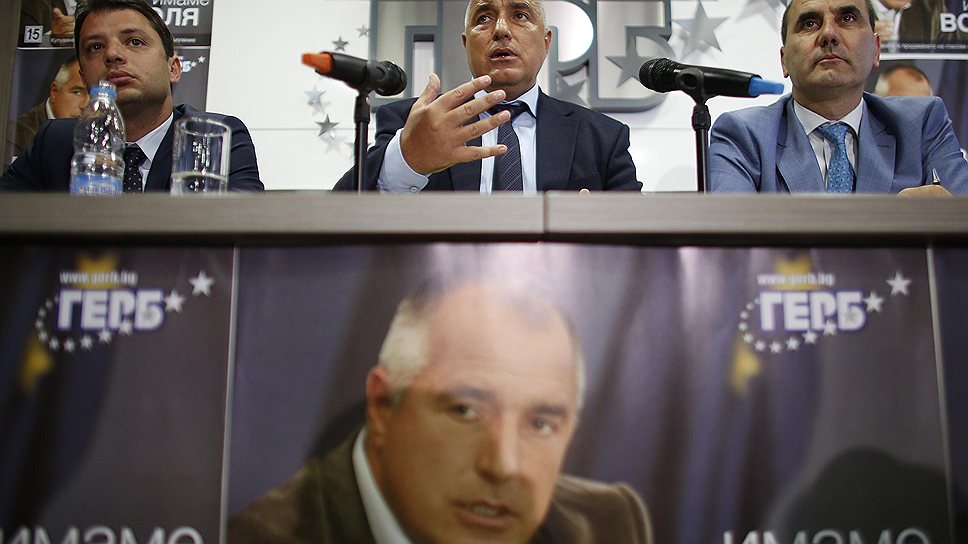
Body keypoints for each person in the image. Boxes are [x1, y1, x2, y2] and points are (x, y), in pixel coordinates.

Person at [228, 280, 653, 544]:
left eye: (540, 423)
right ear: (383, 406)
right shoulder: (260, 537)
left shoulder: (604, 524)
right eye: (466, 411)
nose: (502, 465)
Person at [332, 0, 641, 193]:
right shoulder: (412, 122)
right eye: (483, 18)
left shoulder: (603, 137)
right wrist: (408, 160)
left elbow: (639, 243)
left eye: (520, 15)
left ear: (546, 41)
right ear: (466, 43)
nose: (501, 30)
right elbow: (342, 215)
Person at [708, 0, 968, 195]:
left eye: (847, 18)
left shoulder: (922, 124)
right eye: (810, 23)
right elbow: (733, 241)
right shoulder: (742, 135)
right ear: (784, 60)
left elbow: (959, 222)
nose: (829, 35)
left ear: (876, 50)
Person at [0, 0, 263, 192]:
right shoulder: (54, 143)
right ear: (84, 76)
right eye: (95, 47)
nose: (112, 54)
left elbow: (244, 232)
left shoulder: (214, 138)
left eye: (134, 41)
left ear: (173, 68)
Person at [7, 56, 88, 163]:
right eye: (77, 92)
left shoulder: (100, 133)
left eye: (93, 94)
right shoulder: (18, 137)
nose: (86, 105)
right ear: (54, 91)